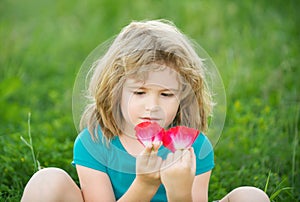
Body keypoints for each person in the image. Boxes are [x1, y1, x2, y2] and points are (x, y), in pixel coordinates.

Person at [21, 19, 270, 202]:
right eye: (139, 92)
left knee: (252, 197)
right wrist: (144, 184)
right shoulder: (94, 143)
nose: (152, 106)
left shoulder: (193, 148)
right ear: (115, 91)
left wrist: (179, 192)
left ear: (182, 97)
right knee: (47, 181)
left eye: (166, 94)